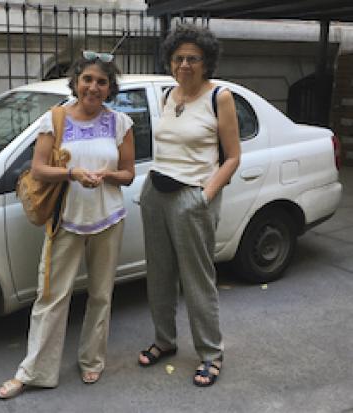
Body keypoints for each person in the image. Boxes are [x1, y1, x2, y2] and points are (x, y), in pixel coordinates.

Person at [0, 51, 135, 399]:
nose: (93, 87)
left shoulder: (120, 123)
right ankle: (34, 372)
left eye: (101, 82)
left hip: (109, 219)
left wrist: (106, 176)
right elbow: (39, 168)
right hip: (66, 222)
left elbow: (128, 175)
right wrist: (72, 173)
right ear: (76, 82)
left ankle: (92, 359)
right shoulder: (55, 119)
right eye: (87, 79)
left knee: (101, 295)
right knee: (51, 298)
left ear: (109, 88)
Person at [137, 24, 240, 387]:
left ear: (206, 61)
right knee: (159, 274)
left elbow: (232, 158)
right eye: (178, 58)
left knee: (197, 280)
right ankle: (165, 341)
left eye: (192, 58)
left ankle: (211, 353)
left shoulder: (219, 97)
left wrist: (205, 196)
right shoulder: (168, 95)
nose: (184, 64)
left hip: (191, 197)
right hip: (155, 193)